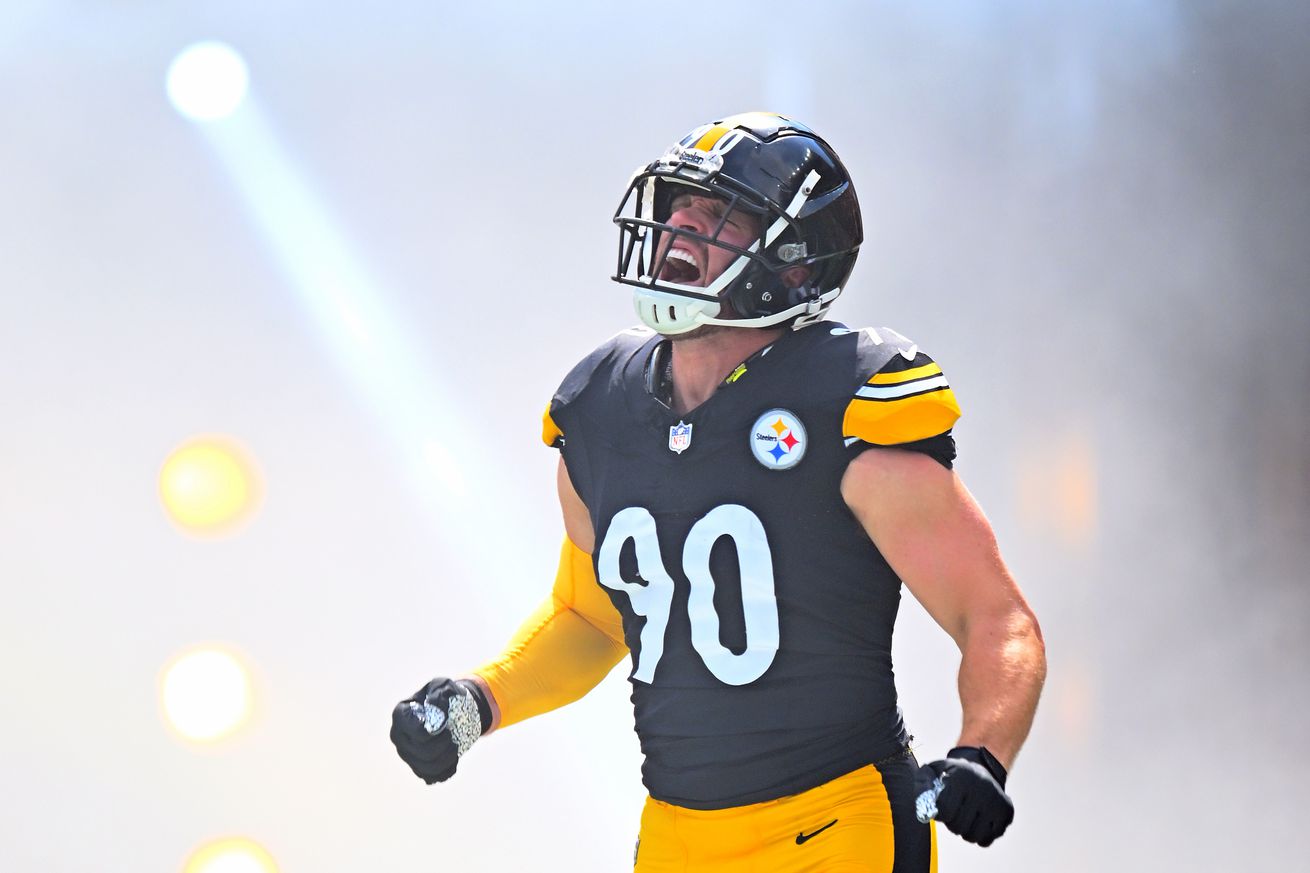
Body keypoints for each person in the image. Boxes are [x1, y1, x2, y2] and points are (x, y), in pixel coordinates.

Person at [390, 112, 1046, 872]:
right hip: (678, 834)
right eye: (677, 205)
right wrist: (479, 701)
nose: (679, 225)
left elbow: (996, 616)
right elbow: (592, 616)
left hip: (837, 821)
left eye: (720, 212)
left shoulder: (846, 398)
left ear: (796, 261)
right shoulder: (601, 406)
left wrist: (981, 753)